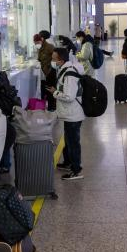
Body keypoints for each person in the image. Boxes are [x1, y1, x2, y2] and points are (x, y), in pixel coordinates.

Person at [49, 47, 85, 181]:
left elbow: (69, 96)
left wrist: (55, 92)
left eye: (54, 59)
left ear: (61, 60)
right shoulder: (65, 70)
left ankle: (76, 170)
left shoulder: (69, 74)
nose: (52, 61)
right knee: (68, 139)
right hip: (69, 112)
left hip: (73, 113)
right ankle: (68, 162)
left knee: (73, 142)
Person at [37, 30, 56, 108]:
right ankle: (46, 106)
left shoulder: (50, 46)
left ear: (42, 38)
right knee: (45, 90)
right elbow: (39, 59)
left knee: (50, 90)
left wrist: (50, 64)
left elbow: (56, 57)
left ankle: (52, 107)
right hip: (43, 72)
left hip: (50, 71)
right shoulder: (41, 47)